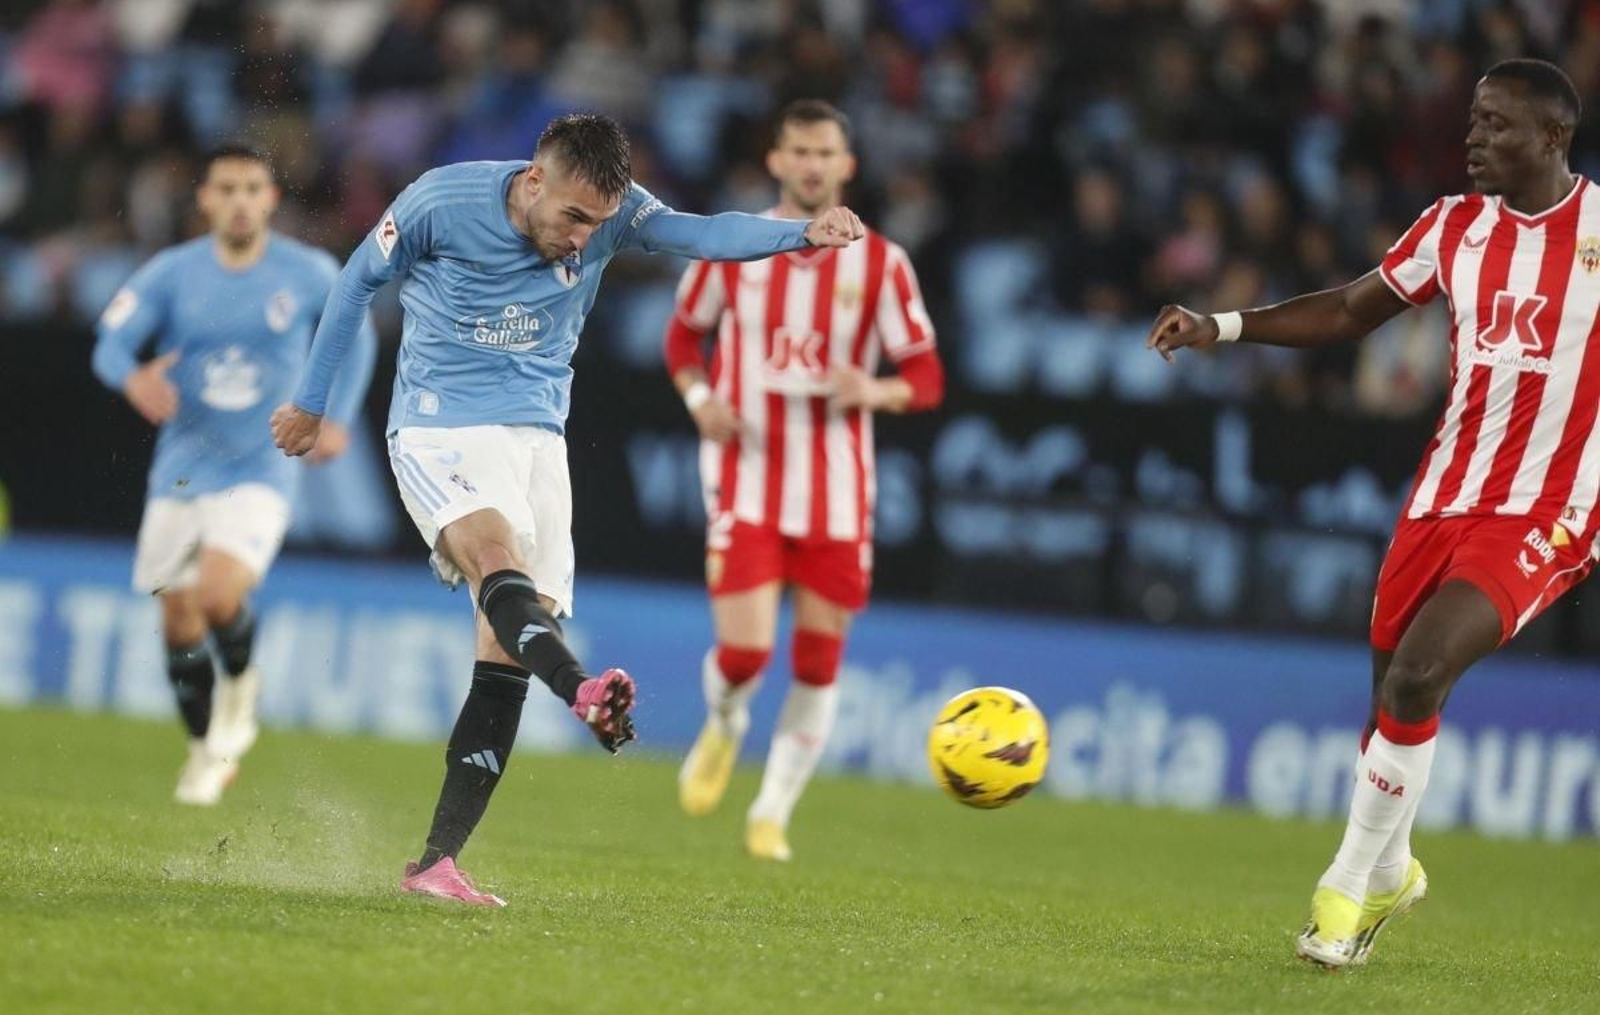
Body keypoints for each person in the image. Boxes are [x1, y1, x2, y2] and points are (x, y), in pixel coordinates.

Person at [271, 113, 865, 906]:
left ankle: (437, 863)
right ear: (533, 181)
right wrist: (311, 403)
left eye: (599, 222)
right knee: (496, 560)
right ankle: (583, 689)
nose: (584, 238)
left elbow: (700, 233)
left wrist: (801, 234)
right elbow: (355, 283)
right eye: (574, 217)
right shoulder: (440, 202)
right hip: (441, 422)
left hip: (538, 437)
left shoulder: (612, 214)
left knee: (511, 644)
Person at [1146, 59, 1600, 969]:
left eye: (1497, 123)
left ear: (1553, 136)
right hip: (1440, 497)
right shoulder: (1453, 225)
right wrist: (1221, 326)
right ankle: (1391, 869)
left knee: (1419, 676)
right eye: (1473, 119)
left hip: (1550, 508)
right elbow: (1351, 312)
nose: (1474, 136)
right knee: (1391, 703)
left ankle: (1343, 893)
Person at [665, 100, 945, 862]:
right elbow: (682, 336)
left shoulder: (883, 262)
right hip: (747, 473)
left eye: (826, 152)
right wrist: (701, 399)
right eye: (800, 151)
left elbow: (926, 375)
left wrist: (874, 389)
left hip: (837, 492)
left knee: (818, 662)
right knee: (746, 657)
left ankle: (772, 811)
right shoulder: (733, 244)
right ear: (777, 160)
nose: (813, 165)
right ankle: (726, 722)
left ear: (846, 165)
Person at [91, 145, 377, 806]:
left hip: (260, 466)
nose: (240, 200)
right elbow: (109, 343)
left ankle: (242, 687)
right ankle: (204, 750)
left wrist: (338, 416)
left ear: (271, 199)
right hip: (182, 470)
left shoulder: (306, 271)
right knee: (178, 621)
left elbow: (357, 333)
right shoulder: (172, 273)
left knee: (219, 594)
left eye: (252, 188)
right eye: (227, 188)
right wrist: (132, 378)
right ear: (206, 199)